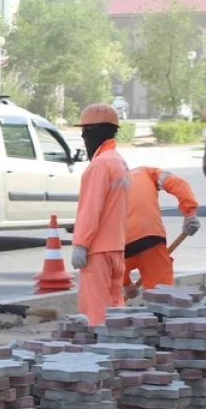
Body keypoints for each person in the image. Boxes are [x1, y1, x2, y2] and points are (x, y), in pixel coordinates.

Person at [71, 103, 131, 326]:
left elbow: (91, 208)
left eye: (84, 133)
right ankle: (121, 351)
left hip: (98, 252)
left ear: (91, 133)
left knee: (94, 313)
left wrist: (81, 244)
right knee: (116, 309)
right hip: (116, 249)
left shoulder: (100, 165)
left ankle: (98, 355)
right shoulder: (119, 162)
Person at [123, 167, 200, 298]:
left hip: (120, 244)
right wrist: (190, 213)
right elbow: (178, 184)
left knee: (111, 288)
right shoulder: (148, 172)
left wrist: (126, 284)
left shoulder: (115, 181)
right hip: (151, 238)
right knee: (160, 296)